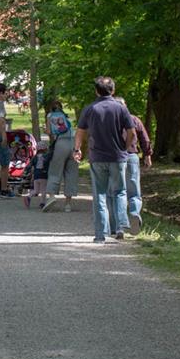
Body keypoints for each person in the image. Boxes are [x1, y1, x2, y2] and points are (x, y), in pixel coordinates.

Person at [73, 76, 136, 242]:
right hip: (118, 157)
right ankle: (121, 226)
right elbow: (131, 132)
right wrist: (125, 147)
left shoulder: (89, 109)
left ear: (96, 91)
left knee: (99, 194)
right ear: (113, 90)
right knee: (120, 191)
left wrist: (77, 150)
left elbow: (80, 132)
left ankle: (100, 234)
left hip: (97, 157)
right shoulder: (121, 108)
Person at [107, 97, 152, 235]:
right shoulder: (134, 119)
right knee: (134, 191)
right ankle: (134, 213)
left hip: (114, 158)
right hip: (132, 156)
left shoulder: (109, 121)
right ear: (125, 106)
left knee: (115, 192)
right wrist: (147, 155)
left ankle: (117, 227)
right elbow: (144, 139)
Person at [42, 101, 79, 213]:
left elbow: (49, 131)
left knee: (55, 170)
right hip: (72, 143)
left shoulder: (50, 116)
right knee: (71, 173)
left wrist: (45, 130)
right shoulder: (66, 116)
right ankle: (68, 204)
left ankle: (52, 196)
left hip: (61, 144)